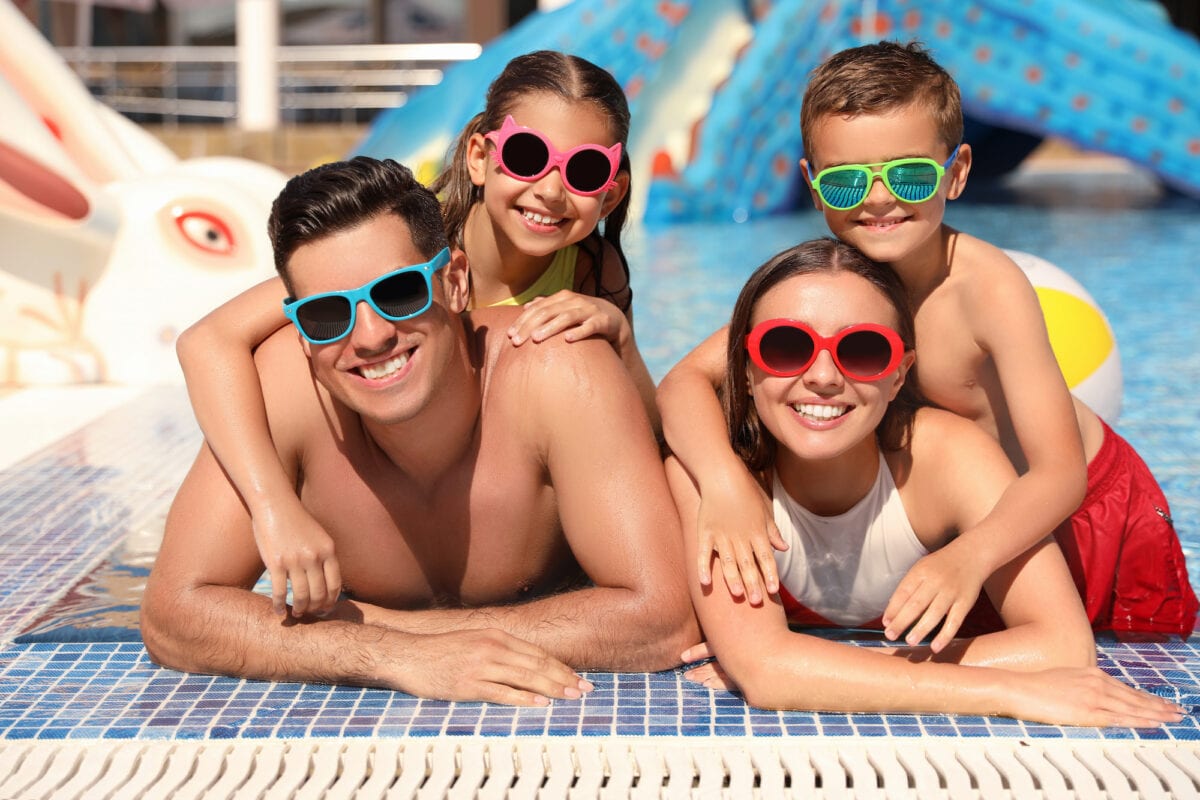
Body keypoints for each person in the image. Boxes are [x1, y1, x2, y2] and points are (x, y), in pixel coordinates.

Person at [657, 40, 1197, 645]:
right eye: (845, 183)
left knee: (1121, 668)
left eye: (910, 177)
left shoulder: (985, 289)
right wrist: (725, 484)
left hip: (1071, 514)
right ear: (812, 185)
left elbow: (1059, 475)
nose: (880, 199)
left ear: (957, 172)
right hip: (974, 524)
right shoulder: (832, 287)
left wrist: (970, 555)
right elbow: (683, 383)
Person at [141, 157, 696, 705]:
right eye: (328, 314)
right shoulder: (284, 389)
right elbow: (173, 615)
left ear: (455, 283)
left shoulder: (559, 371)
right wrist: (396, 657)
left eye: (399, 292)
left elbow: (663, 619)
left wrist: (380, 629)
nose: (371, 337)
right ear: (302, 329)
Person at [174, 51, 659, 618]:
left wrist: (621, 345)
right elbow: (206, 342)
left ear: (612, 192)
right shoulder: (405, 258)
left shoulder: (593, 270)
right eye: (528, 157)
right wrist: (273, 506)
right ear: (480, 156)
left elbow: (639, 440)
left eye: (583, 171)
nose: (551, 191)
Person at [666, 238, 1183, 726]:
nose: (823, 376)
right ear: (747, 368)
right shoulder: (712, 479)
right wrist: (1009, 691)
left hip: (1104, 516)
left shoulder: (949, 458)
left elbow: (1063, 648)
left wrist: (828, 666)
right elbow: (768, 672)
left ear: (898, 374)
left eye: (863, 351)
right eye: (785, 347)